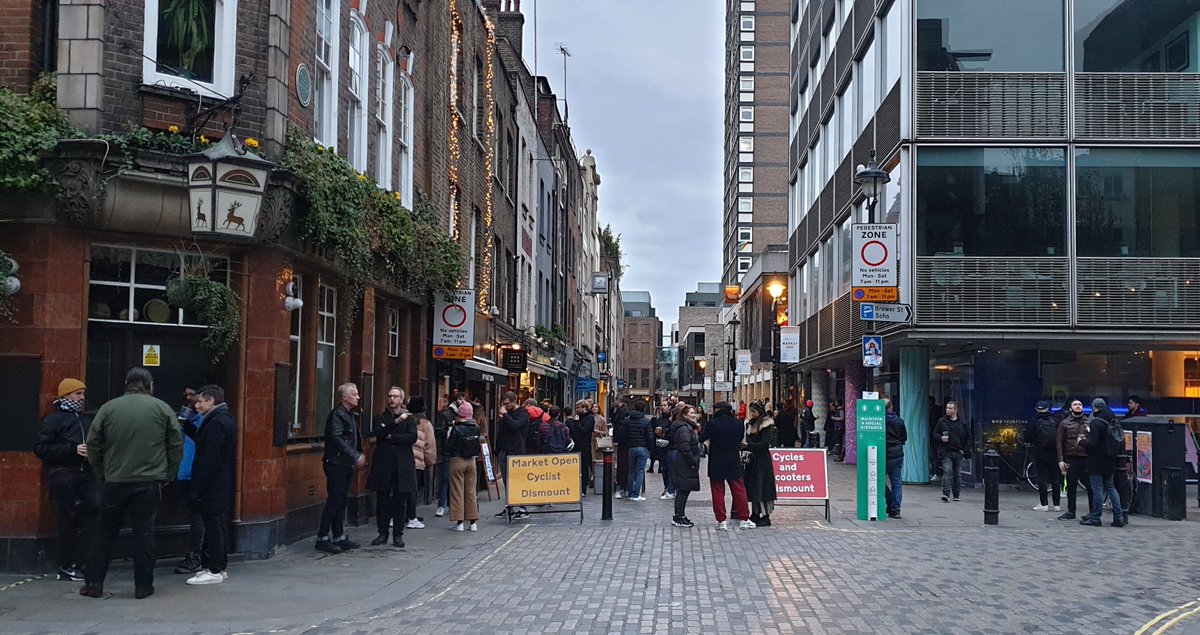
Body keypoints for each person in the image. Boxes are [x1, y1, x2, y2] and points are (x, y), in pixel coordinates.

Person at [81, 367, 182, 599]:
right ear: (150, 384)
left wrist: (101, 472)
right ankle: (143, 586)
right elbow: (175, 444)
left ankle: (94, 583)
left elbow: (93, 444)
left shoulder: (108, 408)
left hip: (114, 481)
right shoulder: (162, 408)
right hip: (149, 482)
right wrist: (169, 473)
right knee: (145, 533)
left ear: (126, 384)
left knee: (104, 532)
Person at [34, 378, 99, 582]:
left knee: (95, 505)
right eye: (78, 394)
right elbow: (41, 449)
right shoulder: (53, 420)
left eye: (82, 394)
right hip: (63, 473)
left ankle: (80, 561)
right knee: (65, 519)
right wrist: (72, 449)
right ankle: (66, 566)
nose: (82, 398)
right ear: (66, 395)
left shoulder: (86, 419)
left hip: (85, 473)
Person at [183, 385, 237, 585]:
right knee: (217, 524)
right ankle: (218, 567)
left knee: (213, 525)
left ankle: (214, 569)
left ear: (211, 401)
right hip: (218, 482)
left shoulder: (216, 422)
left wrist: (198, 488)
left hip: (212, 484)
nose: (196, 405)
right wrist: (188, 427)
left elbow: (209, 457)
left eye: (200, 401)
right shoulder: (222, 418)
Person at [315, 383, 366, 554]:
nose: (358, 397)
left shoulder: (348, 414)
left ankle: (338, 535)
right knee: (335, 500)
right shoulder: (337, 415)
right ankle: (322, 537)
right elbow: (336, 438)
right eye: (354, 394)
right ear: (345, 397)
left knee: (341, 500)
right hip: (335, 463)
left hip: (344, 463)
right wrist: (355, 455)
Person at [367, 387, 417, 547]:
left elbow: (412, 438)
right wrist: (395, 423)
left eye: (395, 396)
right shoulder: (380, 417)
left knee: (400, 500)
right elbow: (378, 433)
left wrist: (392, 437)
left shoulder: (409, 419)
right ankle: (382, 533)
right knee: (382, 499)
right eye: (389, 396)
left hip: (402, 464)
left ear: (401, 400)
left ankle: (398, 535)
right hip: (384, 463)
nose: (391, 399)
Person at [700, 401, 754, 530]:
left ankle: (721, 521)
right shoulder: (738, 424)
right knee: (739, 490)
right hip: (733, 460)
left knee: (718, 491)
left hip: (716, 460)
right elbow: (740, 439)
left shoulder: (712, 424)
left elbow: (702, 438)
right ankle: (744, 519)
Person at [173, 385, 206, 575]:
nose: (189, 400)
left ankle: (197, 555)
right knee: (194, 515)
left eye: (192, 396)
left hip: (195, 472)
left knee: (198, 516)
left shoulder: (206, 419)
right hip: (185, 471)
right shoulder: (190, 416)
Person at [1080, 398, 1126, 527]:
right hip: (1110, 459)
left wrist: (1082, 441)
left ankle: (1095, 518)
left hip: (1096, 460)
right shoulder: (1113, 420)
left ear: (1095, 408)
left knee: (1097, 489)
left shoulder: (1096, 422)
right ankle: (1119, 517)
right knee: (1111, 488)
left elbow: (1093, 443)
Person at [1055, 399, 1094, 521]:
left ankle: (1093, 512)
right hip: (1071, 458)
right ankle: (1071, 511)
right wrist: (1061, 460)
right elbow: (1059, 442)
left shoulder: (1089, 422)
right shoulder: (1065, 423)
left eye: (1080, 404)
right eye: (1075, 404)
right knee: (1071, 486)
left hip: (1086, 458)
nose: (1078, 406)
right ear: (1070, 408)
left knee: (1090, 486)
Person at [446, 402, 482, 532]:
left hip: (457, 460)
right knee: (471, 492)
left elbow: (449, 447)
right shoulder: (476, 427)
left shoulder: (456, 429)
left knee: (457, 492)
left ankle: (459, 522)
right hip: (471, 461)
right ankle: (473, 523)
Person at [494, 392, 531, 518]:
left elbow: (515, 426)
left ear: (514, 401)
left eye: (507, 404)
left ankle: (522, 507)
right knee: (506, 481)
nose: (505, 406)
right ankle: (509, 507)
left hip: (516, 452)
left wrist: (504, 415)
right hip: (504, 451)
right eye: (503, 404)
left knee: (517, 481)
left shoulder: (523, 413)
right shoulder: (507, 414)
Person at [744, 401, 779, 526]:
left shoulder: (766, 424)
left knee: (763, 487)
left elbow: (765, 444)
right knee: (754, 487)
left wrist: (749, 446)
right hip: (753, 460)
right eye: (751, 412)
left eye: (754, 412)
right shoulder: (751, 423)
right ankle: (755, 513)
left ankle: (765, 515)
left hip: (762, 460)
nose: (752, 414)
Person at [1024, 400, 1061, 512]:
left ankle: (1044, 504)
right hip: (1054, 452)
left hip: (1040, 452)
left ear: (1036, 409)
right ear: (1048, 408)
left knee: (1042, 477)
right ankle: (1057, 505)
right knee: (1055, 479)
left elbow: (1028, 436)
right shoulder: (1055, 420)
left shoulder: (1034, 421)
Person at [669, 404, 702, 528]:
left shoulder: (687, 427)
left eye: (694, 413)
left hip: (684, 462)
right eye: (691, 413)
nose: (694, 415)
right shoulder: (684, 428)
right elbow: (685, 447)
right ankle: (679, 516)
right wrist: (693, 461)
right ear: (684, 415)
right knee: (683, 490)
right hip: (685, 463)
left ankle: (680, 515)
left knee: (684, 490)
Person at [407, 397, 436, 529]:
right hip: (417, 462)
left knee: (399, 490)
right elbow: (430, 446)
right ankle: (411, 518)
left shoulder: (405, 420)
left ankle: (395, 517)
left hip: (403, 460)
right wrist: (430, 462)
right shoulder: (425, 424)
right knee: (413, 490)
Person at [933, 401, 970, 502]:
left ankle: (956, 494)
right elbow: (935, 434)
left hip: (958, 451)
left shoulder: (963, 423)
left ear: (955, 410)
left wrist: (965, 449)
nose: (947, 410)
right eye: (947, 408)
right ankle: (946, 493)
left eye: (950, 408)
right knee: (948, 471)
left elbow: (968, 437)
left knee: (957, 474)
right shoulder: (942, 421)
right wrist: (941, 438)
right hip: (946, 451)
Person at [434, 394, 463, 518]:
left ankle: (454, 506)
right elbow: (439, 431)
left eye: (463, 399)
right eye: (459, 399)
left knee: (457, 480)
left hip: (459, 452)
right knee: (445, 478)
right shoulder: (446, 415)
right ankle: (441, 505)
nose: (461, 401)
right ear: (455, 401)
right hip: (447, 451)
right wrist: (449, 431)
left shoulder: (464, 416)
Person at [619, 400, 653, 501]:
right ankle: (636, 494)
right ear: (643, 409)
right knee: (639, 471)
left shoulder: (627, 421)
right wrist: (650, 448)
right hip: (642, 448)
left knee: (631, 471)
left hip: (631, 448)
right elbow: (650, 436)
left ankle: (630, 492)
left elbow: (623, 435)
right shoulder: (646, 421)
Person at [884, 398, 907, 519]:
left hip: (883, 455)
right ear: (891, 407)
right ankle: (896, 509)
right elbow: (904, 438)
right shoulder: (899, 421)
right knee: (897, 483)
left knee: (878, 481)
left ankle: (890, 501)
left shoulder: (879, 421)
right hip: (897, 454)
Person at [568, 400, 595, 492]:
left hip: (585, 445)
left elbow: (584, 430)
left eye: (579, 407)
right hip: (577, 444)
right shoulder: (578, 417)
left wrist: (576, 422)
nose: (577, 409)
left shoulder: (590, 418)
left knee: (584, 467)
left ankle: (583, 488)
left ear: (584, 408)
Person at [652, 403, 675, 500]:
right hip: (661, 447)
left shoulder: (672, 420)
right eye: (662, 405)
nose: (663, 407)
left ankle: (671, 488)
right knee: (664, 469)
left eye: (665, 405)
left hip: (671, 447)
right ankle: (667, 487)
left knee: (672, 470)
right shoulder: (658, 420)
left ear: (669, 407)